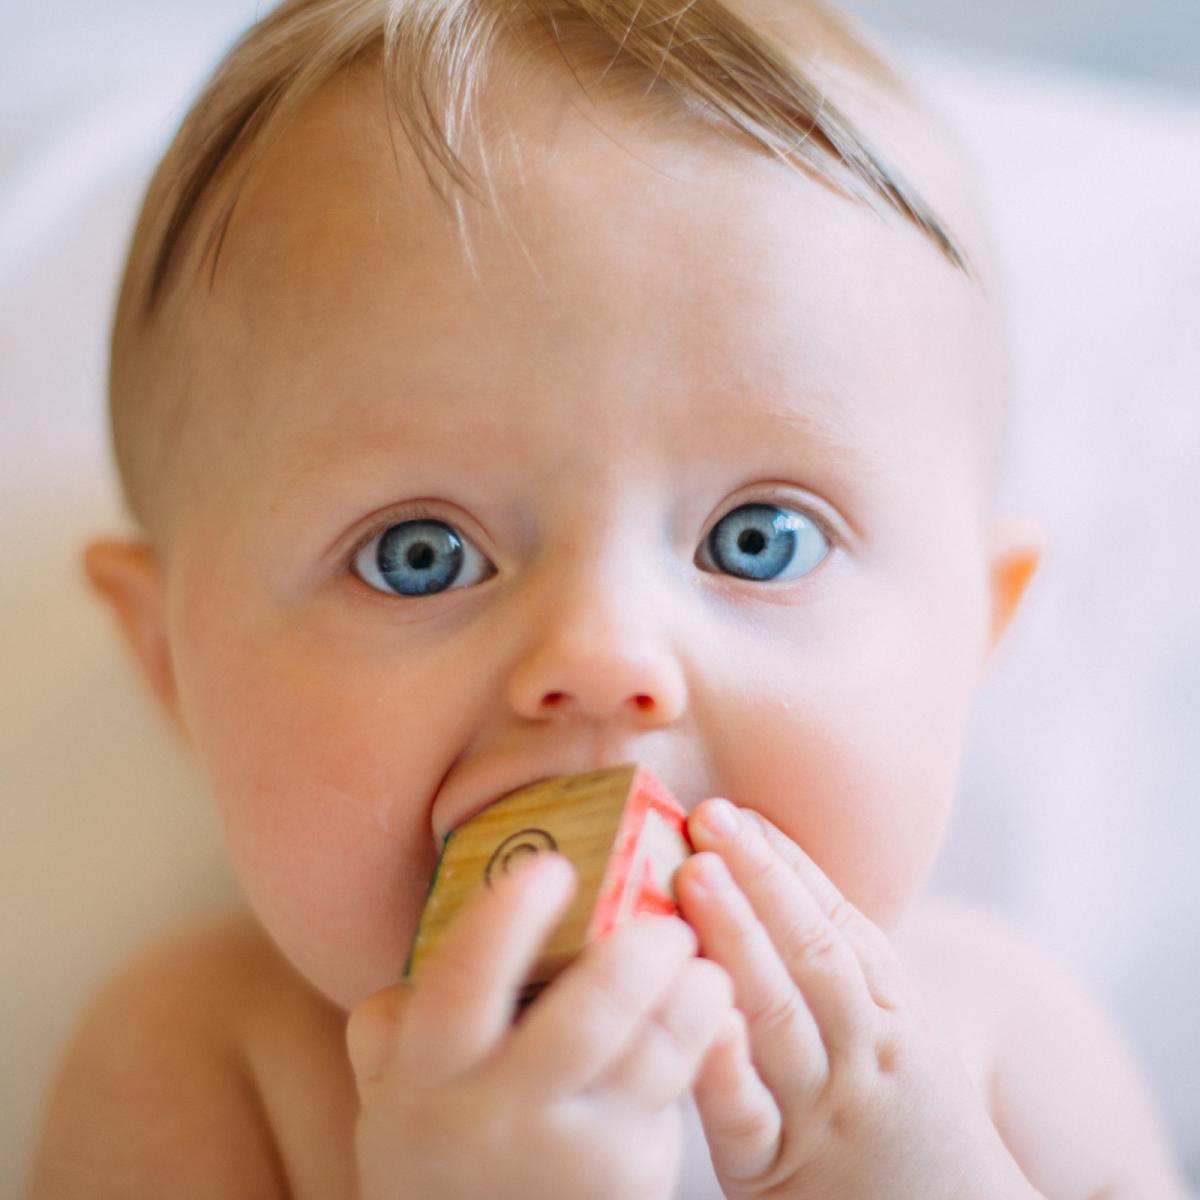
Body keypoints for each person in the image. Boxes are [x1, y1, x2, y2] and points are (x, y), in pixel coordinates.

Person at [28, 0, 1189, 1194]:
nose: (602, 652)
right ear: (174, 664)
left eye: (760, 539)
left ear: (971, 640)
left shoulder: (1002, 1044)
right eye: (418, 552)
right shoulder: (203, 1062)